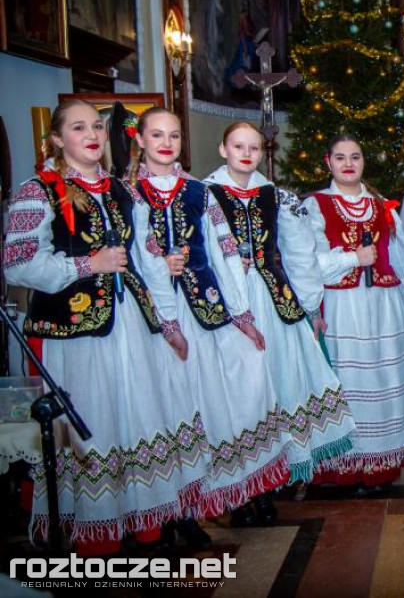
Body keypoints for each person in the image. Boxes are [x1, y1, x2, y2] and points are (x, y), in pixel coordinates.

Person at [3, 100, 202, 554]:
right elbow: (17, 264)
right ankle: (99, 535)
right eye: (78, 127)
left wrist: (168, 322)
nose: (91, 134)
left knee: (138, 416)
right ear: (57, 139)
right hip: (78, 335)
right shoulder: (40, 191)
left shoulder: (122, 190)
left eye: (96, 125)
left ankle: (146, 523)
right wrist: (86, 263)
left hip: (132, 325)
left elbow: (149, 258)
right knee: (95, 421)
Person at [130, 108, 290, 527]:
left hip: (208, 305)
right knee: (175, 406)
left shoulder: (200, 192)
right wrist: (160, 280)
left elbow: (225, 252)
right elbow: (131, 254)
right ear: (140, 140)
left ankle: (242, 488)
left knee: (239, 390)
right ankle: (178, 514)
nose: (167, 143)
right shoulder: (127, 192)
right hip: (154, 314)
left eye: (175, 136)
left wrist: (241, 314)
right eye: (158, 135)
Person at [206, 122, 358, 485]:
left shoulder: (276, 196)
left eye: (254, 148)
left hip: (273, 301)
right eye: (238, 146)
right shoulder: (205, 194)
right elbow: (197, 250)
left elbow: (299, 254)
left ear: (262, 152)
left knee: (280, 381)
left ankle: (274, 477)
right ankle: (242, 484)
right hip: (227, 303)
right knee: (241, 392)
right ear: (223, 149)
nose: (246, 154)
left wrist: (310, 305)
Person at [302, 134, 404, 492]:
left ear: (364, 162)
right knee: (349, 386)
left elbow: (403, 258)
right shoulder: (316, 206)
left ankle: (380, 468)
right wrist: (352, 259)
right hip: (343, 308)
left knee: (387, 383)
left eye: (356, 157)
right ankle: (345, 469)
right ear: (327, 162)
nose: (348, 163)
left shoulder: (381, 206)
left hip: (387, 305)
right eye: (340, 157)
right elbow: (308, 263)